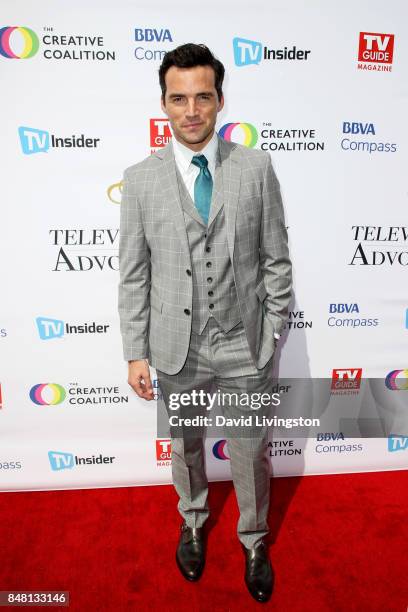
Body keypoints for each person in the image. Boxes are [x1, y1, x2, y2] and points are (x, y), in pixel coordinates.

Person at [118, 43, 292, 603]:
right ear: (164, 104)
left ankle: (255, 538)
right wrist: (135, 350)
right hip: (176, 346)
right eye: (179, 98)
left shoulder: (256, 167)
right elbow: (133, 274)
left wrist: (272, 331)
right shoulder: (140, 181)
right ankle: (193, 520)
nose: (191, 110)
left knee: (249, 446)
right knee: (186, 445)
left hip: (244, 342)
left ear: (220, 99)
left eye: (202, 97)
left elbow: (276, 259)